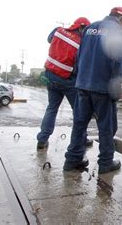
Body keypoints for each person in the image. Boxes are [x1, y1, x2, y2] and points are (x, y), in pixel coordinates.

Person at [63, 7, 122, 174]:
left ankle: (72, 160)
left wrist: (80, 78)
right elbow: (118, 61)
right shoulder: (117, 31)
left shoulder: (89, 28)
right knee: (106, 127)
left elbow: (79, 56)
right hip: (102, 87)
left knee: (79, 125)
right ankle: (106, 163)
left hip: (82, 84)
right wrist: (116, 90)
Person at [37, 17, 93, 149]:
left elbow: (49, 39)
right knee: (79, 112)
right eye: (86, 30)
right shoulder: (81, 43)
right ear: (81, 27)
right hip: (68, 81)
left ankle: (42, 139)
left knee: (52, 108)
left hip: (51, 77)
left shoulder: (57, 31)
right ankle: (82, 139)